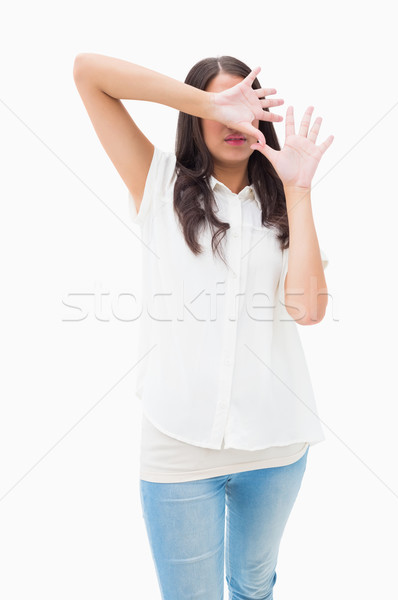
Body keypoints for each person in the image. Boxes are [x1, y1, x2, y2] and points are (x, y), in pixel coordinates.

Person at [73, 53, 333, 600]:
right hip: (177, 444)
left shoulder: (284, 200)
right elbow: (89, 73)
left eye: (249, 107)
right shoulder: (158, 182)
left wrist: (300, 194)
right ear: (197, 115)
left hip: (274, 447)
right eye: (225, 107)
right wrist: (208, 103)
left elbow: (308, 309)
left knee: (253, 586)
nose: (238, 122)